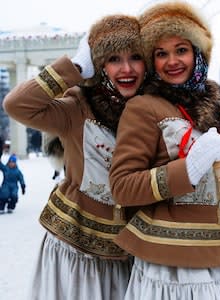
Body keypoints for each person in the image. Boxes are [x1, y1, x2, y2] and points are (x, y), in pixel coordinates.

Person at [108, 2, 220, 299]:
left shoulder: (215, 102)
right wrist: (189, 167)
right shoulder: (143, 107)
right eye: (161, 53)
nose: (172, 61)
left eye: (181, 50)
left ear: (198, 53)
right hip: (171, 263)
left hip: (219, 253)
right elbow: (122, 187)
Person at [3, 14, 146, 299]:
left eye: (135, 57)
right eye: (113, 58)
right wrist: (75, 67)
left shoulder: (155, 108)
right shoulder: (77, 106)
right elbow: (17, 105)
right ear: (99, 64)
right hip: (77, 249)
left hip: (133, 248)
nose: (126, 68)